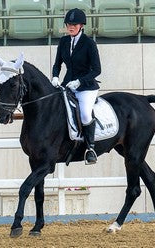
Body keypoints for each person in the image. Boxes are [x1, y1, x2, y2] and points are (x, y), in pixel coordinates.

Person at [51, 8, 101, 164]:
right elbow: (57, 64)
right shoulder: (64, 41)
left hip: (86, 87)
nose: (70, 27)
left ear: (81, 25)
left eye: (74, 24)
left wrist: (80, 81)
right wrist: (55, 77)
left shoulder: (89, 43)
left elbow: (97, 70)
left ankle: (90, 148)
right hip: (67, 85)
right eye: (68, 24)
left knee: (85, 114)